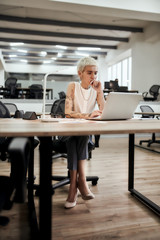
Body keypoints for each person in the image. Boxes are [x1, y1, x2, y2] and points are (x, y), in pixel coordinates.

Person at [64, 56, 105, 208]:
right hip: (67, 132)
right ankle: (81, 181)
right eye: (89, 72)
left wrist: (100, 92)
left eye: (95, 73)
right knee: (76, 137)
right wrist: (88, 115)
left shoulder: (96, 89)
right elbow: (68, 113)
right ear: (80, 73)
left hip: (84, 133)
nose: (93, 76)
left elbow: (104, 111)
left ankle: (74, 187)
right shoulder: (73, 86)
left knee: (81, 135)